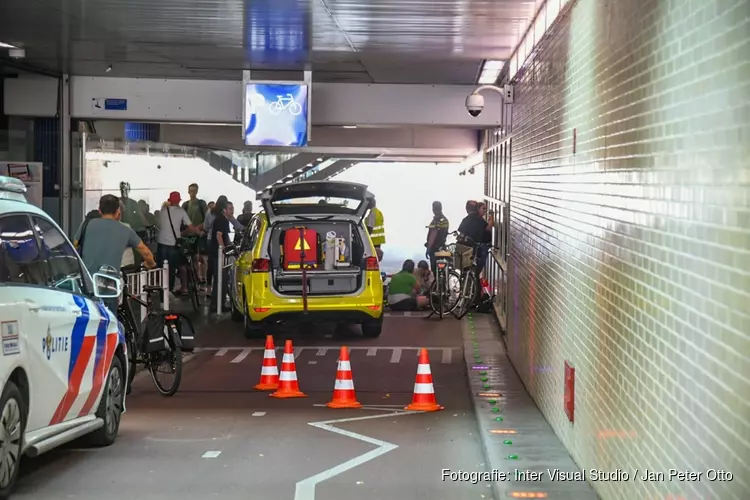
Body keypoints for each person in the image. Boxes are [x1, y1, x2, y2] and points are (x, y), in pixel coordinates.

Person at [73, 194, 156, 313]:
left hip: (87, 284)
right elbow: (146, 252)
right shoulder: (125, 229)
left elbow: (74, 246)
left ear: (99, 210)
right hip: (109, 286)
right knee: (110, 322)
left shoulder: (86, 225)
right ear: (118, 211)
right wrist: (150, 264)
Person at [157, 191, 198, 296]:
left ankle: (161, 292)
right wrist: (199, 232)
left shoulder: (163, 210)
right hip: (173, 244)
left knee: (161, 269)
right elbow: (190, 226)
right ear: (178, 201)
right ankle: (168, 292)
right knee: (171, 269)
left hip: (161, 243)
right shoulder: (181, 211)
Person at [181, 183, 209, 284]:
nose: (192, 193)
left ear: (197, 191)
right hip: (189, 234)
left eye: (194, 191)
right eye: (190, 191)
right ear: (188, 191)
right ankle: (195, 276)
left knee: (200, 257)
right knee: (193, 256)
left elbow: (207, 218)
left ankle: (202, 276)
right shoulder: (185, 205)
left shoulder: (201, 204)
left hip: (199, 233)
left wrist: (197, 228)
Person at [209, 198, 231, 311]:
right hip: (219, 254)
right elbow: (219, 236)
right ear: (224, 210)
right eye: (230, 208)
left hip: (215, 252)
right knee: (221, 279)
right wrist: (224, 250)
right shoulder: (223, 220)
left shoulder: (219, 219)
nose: (232, 210)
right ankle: (218, 305)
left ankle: (216, 304)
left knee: (219, 279)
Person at [425, 201, 450, 276]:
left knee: (435, 270)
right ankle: (444, 286)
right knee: (443, 272)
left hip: (434, 249)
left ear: (433, 209)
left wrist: (428, 248)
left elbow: (433, 234)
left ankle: (437, 286)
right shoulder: (445, 220)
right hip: (442, 248)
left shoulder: (436, 220)